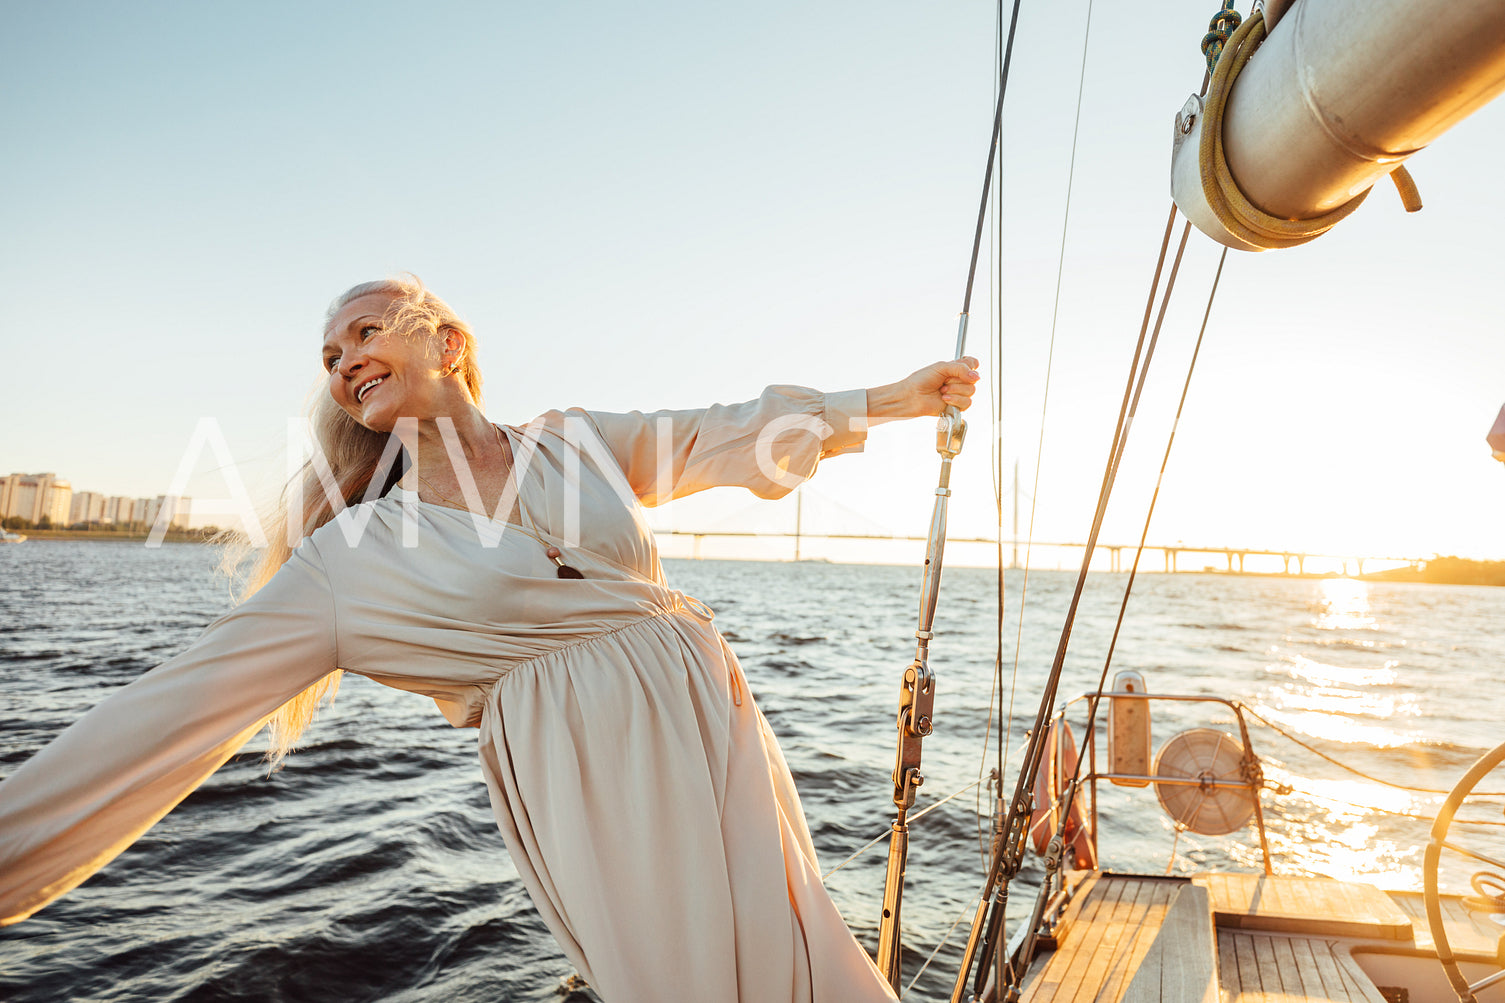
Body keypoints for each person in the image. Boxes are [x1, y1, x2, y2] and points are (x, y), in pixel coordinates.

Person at [0, 275, 979, 1001]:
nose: (342, 362)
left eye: (364, 330)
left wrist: (896, 399)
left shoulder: (572, 440)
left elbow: (725, 430)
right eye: (330, 358)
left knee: (809, 965)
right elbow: (165, 709)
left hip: (713, 726)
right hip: (600, 779)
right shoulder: (355, 560)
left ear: (449, 340)